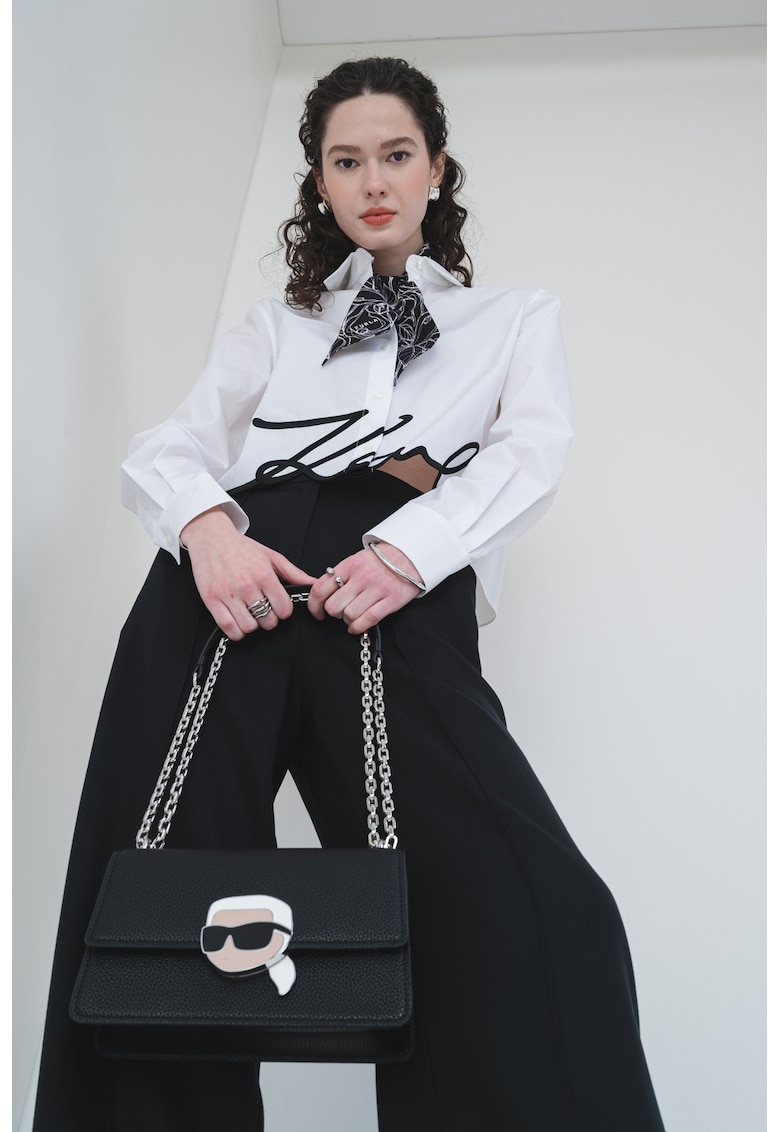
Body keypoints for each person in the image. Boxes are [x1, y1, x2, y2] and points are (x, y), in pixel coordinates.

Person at [32, 56, 666, 1132]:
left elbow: (531, 453)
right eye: (345, 160)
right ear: (320, 182)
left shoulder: (513, 318)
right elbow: (168, 449)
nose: (373, 179)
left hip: (395, 580)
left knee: (528, 901)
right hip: (235, 578)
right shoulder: (275, 328)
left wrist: (412, 550)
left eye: (396, 154)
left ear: (436, 167)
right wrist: (207, 534)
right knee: (156, 898)